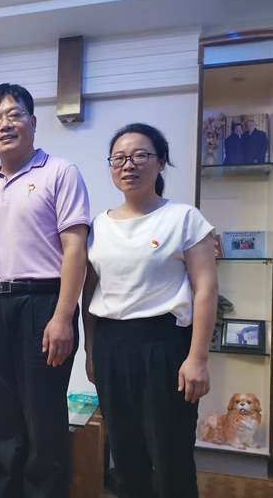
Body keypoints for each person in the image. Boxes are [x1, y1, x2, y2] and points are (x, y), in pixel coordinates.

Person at [82, 123, 217, 498]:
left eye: (140, 155)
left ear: (160, 163)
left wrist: (198, 358)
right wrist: (90, 351)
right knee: (125, 458)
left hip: (166, 346)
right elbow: (90, 295)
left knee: (171, 457)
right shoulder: (98, 226)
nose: (129, 164)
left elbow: (206, 289)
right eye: (119, 158)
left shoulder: (184, 218)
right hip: (111, 345)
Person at [0, 83, 90, 498]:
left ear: (33, 122)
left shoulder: (60, 171)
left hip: (43, 305)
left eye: (14, 114)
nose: (4, 124)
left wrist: (63, 317)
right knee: (1, 421)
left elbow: (76, 249)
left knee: (43, 420)